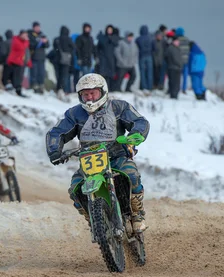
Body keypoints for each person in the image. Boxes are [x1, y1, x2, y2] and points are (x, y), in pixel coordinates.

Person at [46, 73, 150, 232]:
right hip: (90, 161)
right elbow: (57, 132)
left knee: (132, 174)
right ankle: (92, 217)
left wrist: (135, 135)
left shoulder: (118, 107)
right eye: (85, 94)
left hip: (117, 156)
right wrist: (55, 150)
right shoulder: (74, 114)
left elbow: (139, 121)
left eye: (93, 93)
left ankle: (137, 213)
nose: (89, 98)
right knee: (75, 189)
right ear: (80, 96)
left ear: (102, 92)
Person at [6, 30, 30, 97]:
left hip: (20, 61)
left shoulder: (23, 42)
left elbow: (26, 51)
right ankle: (16, 90)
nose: (26, 37)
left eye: (26, 35)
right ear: (21, 35)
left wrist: (27, 61)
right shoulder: (16, 41)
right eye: (25, 35)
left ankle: (18, 90)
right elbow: (21, 48)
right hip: (15, 61)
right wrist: (26, 41)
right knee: (16, 77)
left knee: (19, 77)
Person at [28, 21, 49, 93]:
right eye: (36, 27)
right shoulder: (30, 35)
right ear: (33, 27)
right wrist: (39, 42)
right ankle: (33, 86)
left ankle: (41, 86)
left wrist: (45, 42)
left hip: (42, 58)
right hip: (34, 57)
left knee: (41, 73)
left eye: (38, 27)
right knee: (34, 73)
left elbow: (47, 45)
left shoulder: (42, 35)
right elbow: (30, 45)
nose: (38, 28)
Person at [96, 25, 119, 91]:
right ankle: (104, 89)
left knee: (111, 75)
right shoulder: (103, 38)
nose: (109, 31)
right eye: (108, 29)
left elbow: (117, 46)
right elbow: (98, 48)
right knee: (104, 75)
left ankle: (111, 89)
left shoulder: (115, 38)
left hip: (112, 59)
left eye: (110, 30)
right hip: (103, 59)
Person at [53, 26, 75, 94]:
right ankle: (64, 90)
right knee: (64, 76)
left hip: (57, 60)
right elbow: (74, 48)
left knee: (58, 76)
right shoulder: (69, 39)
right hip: (66, 60)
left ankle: (58, 88)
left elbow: (54, 48)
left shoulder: (56, 39)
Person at [136, 25, 155, 91]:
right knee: (150, 72)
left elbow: (136, 48)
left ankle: (144, 87)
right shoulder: (151, 38)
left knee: (142, 72)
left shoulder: (138, 39)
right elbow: (154, 48)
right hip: (149, 56)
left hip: (142, 56)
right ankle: (149, 87)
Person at [174, 27, 190, 94]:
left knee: (178, 76)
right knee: (185, 76)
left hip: (179, 61)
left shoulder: (177, 40)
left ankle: (177, 88)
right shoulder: (187, 40)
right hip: (186, 60)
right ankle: (184, 89)